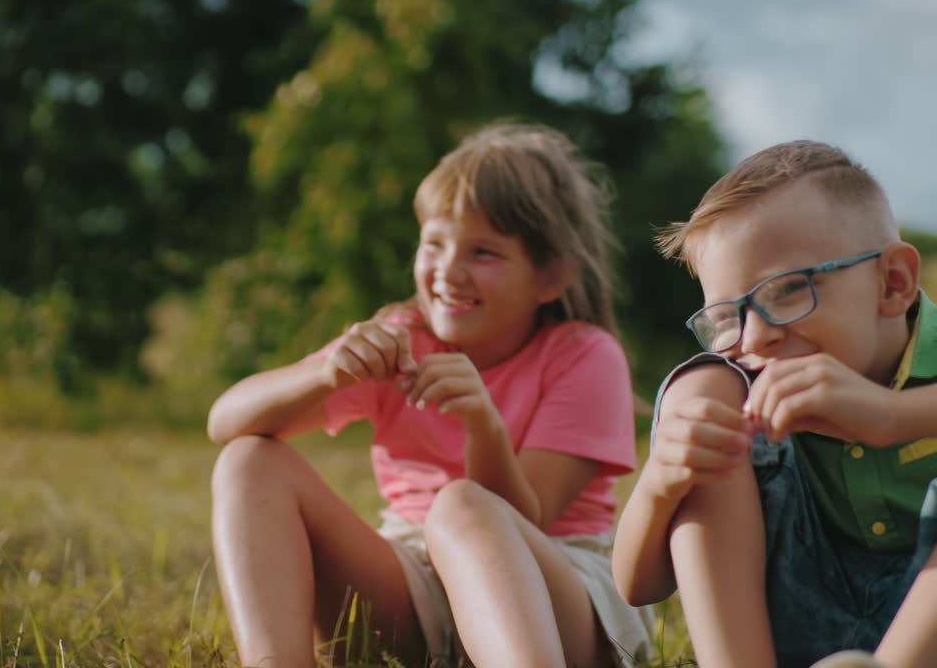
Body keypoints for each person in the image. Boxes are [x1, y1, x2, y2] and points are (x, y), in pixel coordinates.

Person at [611, 140, 937, 668]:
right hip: (802, 634)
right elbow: (637, 587)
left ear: (894, 283)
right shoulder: (741, 387)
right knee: (702, 396)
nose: (755, 337)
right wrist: (661, 482)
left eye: (787, 291)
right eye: (725, 318)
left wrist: (893, 414)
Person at [208, 123, 653, 668]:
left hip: (552, 594)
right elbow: (224, 422)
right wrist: (326, 374)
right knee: (248, 459)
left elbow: (527, 519)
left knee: (462, 505)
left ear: (551, 277)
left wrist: (483, 427)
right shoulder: (403, 339)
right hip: (413, 577)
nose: (448, 271)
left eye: (483, 252)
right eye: (435, 243)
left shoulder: (585, 356)